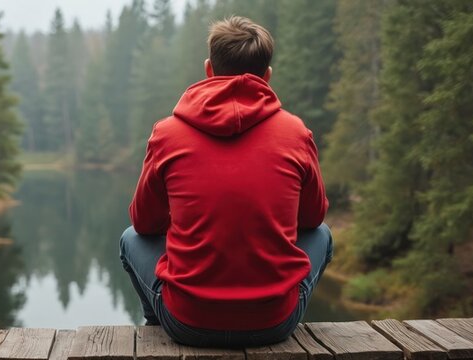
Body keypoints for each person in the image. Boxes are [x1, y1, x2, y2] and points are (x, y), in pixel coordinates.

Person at [119, 16, 333, 348]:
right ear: (267, 76)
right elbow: (312, 219)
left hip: (186, 323)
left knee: (130, 238)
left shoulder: (167, 133)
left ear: (209, 69)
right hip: (274, 325)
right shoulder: (296, 133)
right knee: (322, 235)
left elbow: (144, 224)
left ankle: (156, 326)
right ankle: (272, 303)